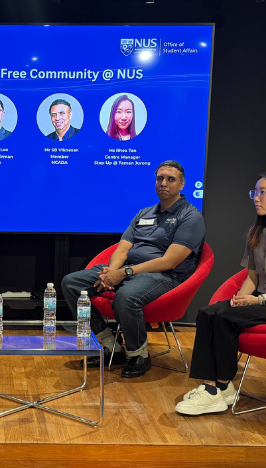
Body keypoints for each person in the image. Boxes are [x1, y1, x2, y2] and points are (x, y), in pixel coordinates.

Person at [175, 168, 266, 416]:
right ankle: (218, 387)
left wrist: (259, 300)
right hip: (257, 300)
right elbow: (252, 276)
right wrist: (241, 298)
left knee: (226, 318)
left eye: (263, 192)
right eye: (255, 192)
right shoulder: (257, 233)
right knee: (207, 313)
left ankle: (216, 388)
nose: (256, 198)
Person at [62, 161, 205, 378]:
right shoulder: (144, 213)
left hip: (164, 276)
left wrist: (125, 273)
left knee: (126, 297)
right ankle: (110, 345)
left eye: (170, 179)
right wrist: (111, 272)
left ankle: (139, 355)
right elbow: (122, 250)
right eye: (160, 178)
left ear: (182, 184)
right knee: (71, 284)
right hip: (129, 270)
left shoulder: (190, 217)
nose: (163, 183)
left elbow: (169, 262)